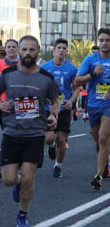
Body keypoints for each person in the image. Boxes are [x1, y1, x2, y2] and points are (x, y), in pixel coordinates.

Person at [0, 36, 60, 227]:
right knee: (8, 180)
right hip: (12, 132)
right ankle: (18, 183)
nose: (28, 53)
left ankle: (23, 214)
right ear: (18, 51)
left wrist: (54, 116)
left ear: (38, 51)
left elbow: (55, 101)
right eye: (24, 50)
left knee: (29, 177)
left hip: (35, 133)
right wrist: (1, 103)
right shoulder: (7, 74)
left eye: (32, 50)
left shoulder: (46, 77)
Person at [74, 29, 110, 190]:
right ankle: (106, 164)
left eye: (107, 40)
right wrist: (92, 74)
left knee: (103, 137)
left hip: (108, 105)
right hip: (94, 104)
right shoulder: (90, 60)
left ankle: (98, 176)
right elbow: (77, 80)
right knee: (98, 140)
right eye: (101, 40)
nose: (104, 43)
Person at [44, 38, 79, 178]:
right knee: (49, 139)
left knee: (61, 139)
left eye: (64, 48)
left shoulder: (72, 69)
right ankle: (51, 146)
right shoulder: (45, 68)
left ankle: (58, 166)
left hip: (64, 107)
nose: (62, 51)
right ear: (54, 51)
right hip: (48, 107)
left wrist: (71, 101)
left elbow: (78, 87)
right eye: (59, 48)